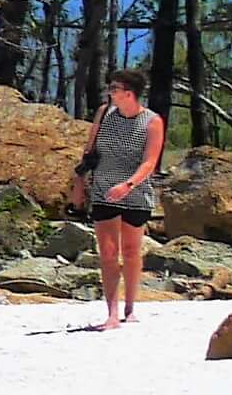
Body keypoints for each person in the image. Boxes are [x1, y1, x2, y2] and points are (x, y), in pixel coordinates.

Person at [70, 71, 167, 327]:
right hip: (103, 190)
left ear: (129, 93)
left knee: (132, 251)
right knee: (108, 253)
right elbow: (89, 152)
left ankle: (130, 307)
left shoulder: (152, 121)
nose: (110, 92)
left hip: (135, 193)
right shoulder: (104, 113)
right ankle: (111, 313)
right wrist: (79, 183)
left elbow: (150, 161)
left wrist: (128, 184)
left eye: (115, 88)